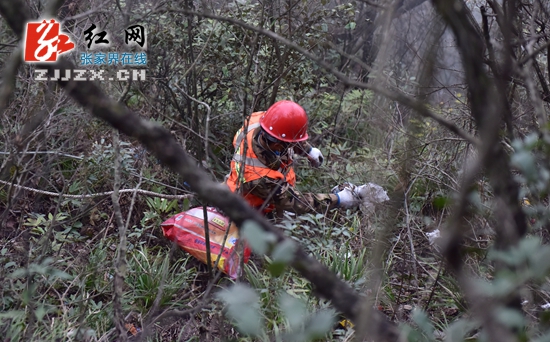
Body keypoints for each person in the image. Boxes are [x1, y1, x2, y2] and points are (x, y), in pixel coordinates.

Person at [225, 100, 369, 216]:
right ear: (278, 143)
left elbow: (283, 129)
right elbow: (296, 202)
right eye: (287, 145)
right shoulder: (258, 177)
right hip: (249, 208)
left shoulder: (257, 121)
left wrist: (307, 150)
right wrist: (338, 199)